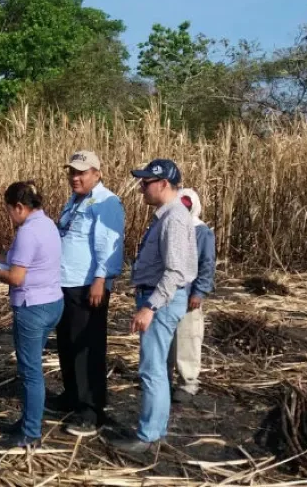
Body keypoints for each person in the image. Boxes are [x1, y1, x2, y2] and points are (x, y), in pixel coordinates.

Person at [112, 159, 198, 453]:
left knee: (152, 369)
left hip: (161, 300)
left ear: (163, 184)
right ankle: (154, 431)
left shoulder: (173, 219)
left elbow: (175, 272)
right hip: (161, 297)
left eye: (146, 182)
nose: (141, 188)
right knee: (156, 367)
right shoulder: (169, 216)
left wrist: (150, 307)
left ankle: (149, 436)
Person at [0, 181, 64, 449]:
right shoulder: (47, 224)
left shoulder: (27, 232)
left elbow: (16, 277)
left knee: (30, 372)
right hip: (53, 303)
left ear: (20, 207)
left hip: (32, 308)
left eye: (9, 210)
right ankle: (28, 421)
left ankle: (31, 433)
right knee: (32, 368)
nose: (9, 215)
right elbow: (21, 259)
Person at [54, 150, 125, 437]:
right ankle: (71, 395)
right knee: (67, 343)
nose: (75, 177)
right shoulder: (74, 201)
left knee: (88, 348)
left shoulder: (106, 202)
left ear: (97, 173)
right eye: (72, 171)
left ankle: (91, 410)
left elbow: (110, 244)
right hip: (66, 282)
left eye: (81, 172)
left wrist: (101, 279)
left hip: (88, 285)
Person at [167, 188, 216, 403]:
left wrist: (199, 291)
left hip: (188, 294)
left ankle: (188, 382)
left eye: (187, 206)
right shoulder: (170, 225)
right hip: (168, 292)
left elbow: (207, 263)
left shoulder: (201, 231)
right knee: (166, 338)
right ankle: (163, 378)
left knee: (187, 338)